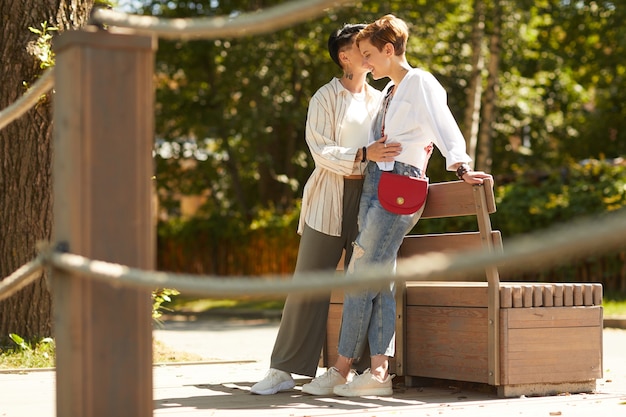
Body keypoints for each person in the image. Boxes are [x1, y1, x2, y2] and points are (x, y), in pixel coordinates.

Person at [301, 14, 493, 398]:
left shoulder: (420, 81)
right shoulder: (390, 90)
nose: (365, 63)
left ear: (390, 50)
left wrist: (461, 165)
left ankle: (340, 370)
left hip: (400, 186)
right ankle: (378, 373)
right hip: (378, 181)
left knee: (359, 272)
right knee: (379, 277)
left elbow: (443, 124)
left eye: (370, 55)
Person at [250, 23, 399, 395]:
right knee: (310, 280)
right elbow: (321, 150)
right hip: (329, 198)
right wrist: (364, 153)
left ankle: (364, 371)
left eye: (370, 47)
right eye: (358, 47)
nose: (367, 52)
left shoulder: (381, 97)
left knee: (364, 282)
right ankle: (283, 370)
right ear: (344, 56)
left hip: (371, 199)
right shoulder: (324, 98)